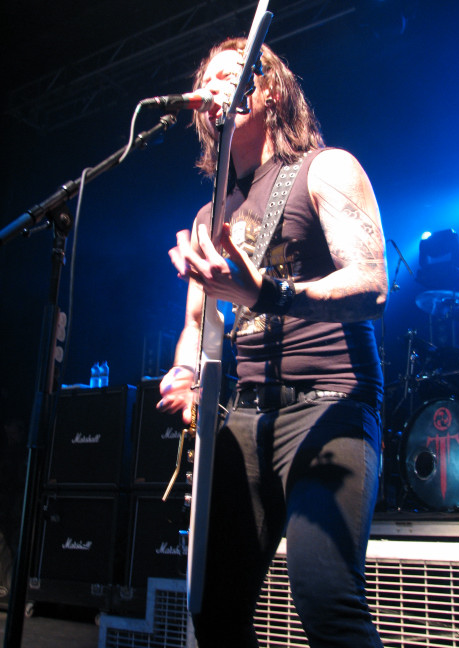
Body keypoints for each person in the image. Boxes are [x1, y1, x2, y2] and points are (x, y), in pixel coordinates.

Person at [159, 37, 388, 648]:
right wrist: (185, 376)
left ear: (271, 91)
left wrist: (269, 294)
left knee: (326, 601)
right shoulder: (210, 216)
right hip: (246, 418)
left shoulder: (325, 168)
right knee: (212, 606)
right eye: (206, 80)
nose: (214, 87)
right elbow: (198, 324)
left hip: (331, 404)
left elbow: (373, 286)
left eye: (231, 74)